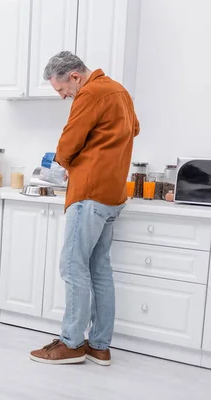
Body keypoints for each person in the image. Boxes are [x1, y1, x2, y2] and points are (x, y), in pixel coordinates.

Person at [30, 51, 140, 366]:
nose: (65, 97)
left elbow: (68, 141)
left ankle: (72, 343)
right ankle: (100, 345)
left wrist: (65, 163)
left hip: (89, 192)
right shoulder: (119, 91)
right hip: (113, 192)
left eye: (63, 90)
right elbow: (134, 130)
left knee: (72, 265)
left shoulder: (90, 92)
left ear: (76, 76)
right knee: (99, 269)